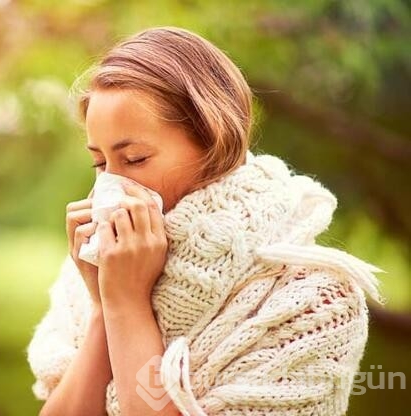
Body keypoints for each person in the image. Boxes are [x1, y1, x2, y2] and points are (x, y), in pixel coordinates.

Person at [27, 26, 383, 416]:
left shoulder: (313, 299)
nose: (110, 186)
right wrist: (102, 307)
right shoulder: (97, 270)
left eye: (134, 159)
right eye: (100, 162)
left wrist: (129, 307)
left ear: (214, 142)